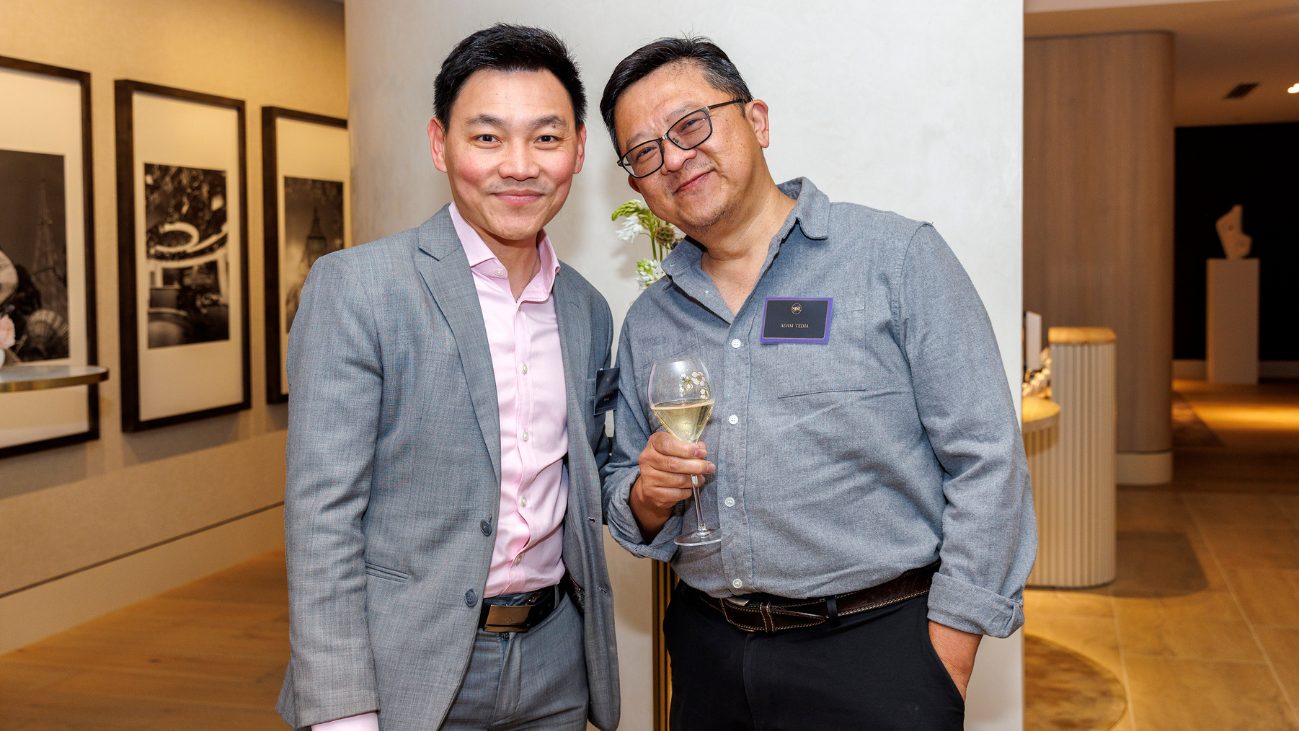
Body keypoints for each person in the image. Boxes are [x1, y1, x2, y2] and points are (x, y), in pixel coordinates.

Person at [599, 37, 1036, 729]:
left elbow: (987, 459)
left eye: (690, 125)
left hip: (875, 651)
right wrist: (646, 497)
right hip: (709, 652)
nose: (674, 158)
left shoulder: (895, 259)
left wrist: (947, 651)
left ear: (757, 120)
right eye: (645, 152)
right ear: (637, 185)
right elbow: (624, 485)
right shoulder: (651, 319)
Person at [278, 24, 620, 731]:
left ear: (579, 149)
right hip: (408, 666)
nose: (519, 166)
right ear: (440, 144)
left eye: (546, 138)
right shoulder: (359, 288)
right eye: (487, 137)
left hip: (556, 662)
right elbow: (322, 515)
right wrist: (344, 711)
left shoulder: (586, 308)